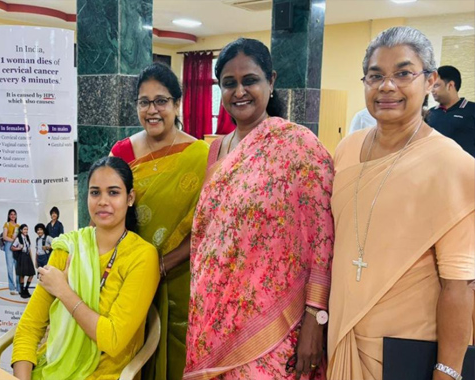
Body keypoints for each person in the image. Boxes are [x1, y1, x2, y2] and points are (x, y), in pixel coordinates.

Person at [327, 27, 474, 380]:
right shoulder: (348, 148)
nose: (387, 86)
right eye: (375, 76)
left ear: (430, 82)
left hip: (408, 352)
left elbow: (460, 285)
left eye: (403, 73)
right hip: (342, 337)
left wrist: (448, 371)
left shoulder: (453, 165)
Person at [183, 38, 335, 380]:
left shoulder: (299, 146)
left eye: (250, 80)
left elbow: (323, 239)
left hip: (273, 323)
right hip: (212, 315)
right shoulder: (217, 149)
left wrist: (315, 317)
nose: (240, 91)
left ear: (271, 80)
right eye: (229, 83)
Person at [11, 157, 160, 380]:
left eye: (113, 192)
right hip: (53, 369)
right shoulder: (68, 247)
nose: (102, 201)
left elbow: (112, 340)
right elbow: (29, 328)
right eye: (95, 192)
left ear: (130, 198)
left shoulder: (142, 257)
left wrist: (63, 291)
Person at [110, 61, 209, 380]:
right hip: (130, 277)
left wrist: (163, 264)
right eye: (144, 102)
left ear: (177, 104)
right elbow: (108, 217)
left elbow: (208, 228)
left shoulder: (201, 156)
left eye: (161, 101)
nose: (152, 110)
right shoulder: (122, 152)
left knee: (178, 356)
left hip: (181, 278)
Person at [425, 65, 475, 157]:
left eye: (436, 85)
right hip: (435, 168)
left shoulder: (472, 110)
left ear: (450, 85)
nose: (432, 90)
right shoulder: (429, 114)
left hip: (466, 169)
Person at [12, 224, 36, 299]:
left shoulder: (27, 237)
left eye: (27, 229)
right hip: (22, 257)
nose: (26, 231)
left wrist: (31, 259)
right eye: (25, 229)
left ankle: (26, 289)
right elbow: (12, 247)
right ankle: (22, 291)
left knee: (31, 274)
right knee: (22, 275)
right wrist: (19, 248)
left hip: (27, 256)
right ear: (21, 230)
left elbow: (29, 249)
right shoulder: (18, 238)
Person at [3, 209, 20, 295]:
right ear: (9, 216)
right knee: (10, 267)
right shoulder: (7, 224)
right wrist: (13, 240)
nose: (13, 216)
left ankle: (18, 287)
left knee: (17, 267)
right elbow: (4, 237)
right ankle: (12, 288)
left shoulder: (18, 226)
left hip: (16, 246)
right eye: (11, 214)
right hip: (8, 245)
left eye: (14, 214)